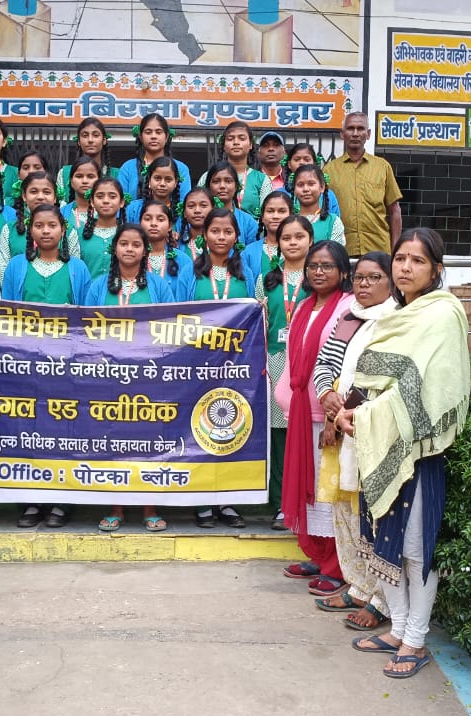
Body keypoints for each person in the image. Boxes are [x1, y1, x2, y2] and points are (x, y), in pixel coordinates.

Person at [339, 227, 470, 679]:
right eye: (400, 259)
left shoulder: (443, 314)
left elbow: (434, 387)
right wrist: (352, 413)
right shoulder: (393, 313)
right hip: (376, 444)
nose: (406, 268)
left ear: (436, 269)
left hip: (417, 449)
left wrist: (369, 415)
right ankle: (397, 628)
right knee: (381, 541)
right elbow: (372, 379)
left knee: (414, 551)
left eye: (417, 260)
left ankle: (415, 638)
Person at [309, 251, 399, 631]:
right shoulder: (348, 318)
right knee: (345, 513)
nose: (363, 284)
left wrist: (348, 410)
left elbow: (386, 379)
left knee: (372, 516)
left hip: (371, 431)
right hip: (339, 429)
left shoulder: (396, 320)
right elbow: (324, 364)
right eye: (359, 277)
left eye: (373, 277)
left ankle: (382, 599)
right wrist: (327, 395)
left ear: (390, 282)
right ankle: (359, 586)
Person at [1, 204, 92, 529]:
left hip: (67, 365)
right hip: (26, 363)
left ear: (63, 230)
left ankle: (61, 501)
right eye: (39, 225)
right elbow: (4, 312)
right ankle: (31, 500)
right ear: (31, 230)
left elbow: (86, 317)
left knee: (64, 429)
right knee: (29, 429)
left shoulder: (78, 268)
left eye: (52, 225)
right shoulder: (17, 266)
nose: (45, 231)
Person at [83, 224, 174, 533]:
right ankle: (115, 507)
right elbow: (85, 327)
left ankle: (150, 507)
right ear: (115, 248)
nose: (130, 249)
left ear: (145, 250)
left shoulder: (159, 286)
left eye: (136, 244)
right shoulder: (98, 286)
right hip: (107, 376)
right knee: (112, 441)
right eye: (124, 243)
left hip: (148, 375)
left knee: (149, 441)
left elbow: (172, 325)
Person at [276, 240, 355, 597]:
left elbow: (343, 362)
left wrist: (333, 416)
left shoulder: (348, 308)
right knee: (308, 487)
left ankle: (337, 565)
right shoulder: (304, 306)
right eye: (313, 266)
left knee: (329, 491)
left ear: (343, 271)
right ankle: (317, 554)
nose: (319, 272)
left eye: (327, 266)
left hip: (329, 415)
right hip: (301, 413)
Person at [190, 207, 255, 529]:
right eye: (215, 231)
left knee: (231, 428)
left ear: (236, 237)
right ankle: (201, 501)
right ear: (204, 235)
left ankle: (227, 499)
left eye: (227, 231)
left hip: (235, 367)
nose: (221, 237)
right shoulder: (190, 271)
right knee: (198, 429)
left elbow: (255, 315)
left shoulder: (246, 273)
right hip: (196, 365)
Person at [255, 215, 313, 531]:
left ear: (310, 241)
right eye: (286, 238)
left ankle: (307, 504)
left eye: (299, 237)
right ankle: (281, 505)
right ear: (278, 243)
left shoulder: (317, 279)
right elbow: (257, 325)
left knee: (304, 436)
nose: (292, 243)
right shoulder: (266, 280)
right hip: (275, 364)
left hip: (308, 366)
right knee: (279, 440)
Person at [323, 112, 403, 256]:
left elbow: (394, 210)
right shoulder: (329, 170)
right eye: (350, 128)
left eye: (360, 128)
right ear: (342, 134)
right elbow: (323, 210)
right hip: (342, 251)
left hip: (379, 249)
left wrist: (396, 251)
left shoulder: (382, 167)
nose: (355, 133)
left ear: (368, 134)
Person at [0, 171, 80, 284]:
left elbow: (75, 271)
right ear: (24, 196)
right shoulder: (9, 230)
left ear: (55, 197)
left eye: (46, 192)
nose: (40, 197)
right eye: (34, 192)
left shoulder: (67, 230)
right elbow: (2, 271)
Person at [196, 121, 271, 218]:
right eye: (230, 139)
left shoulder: (262, 180)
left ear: (250, 145)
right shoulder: (207, 176)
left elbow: (268, 215)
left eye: (242, 138)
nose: (236, 142)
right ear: (224, 145)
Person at [118, 113, 192, 203]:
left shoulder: (181, 169)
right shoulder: (128, 168)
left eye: (158, 132)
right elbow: (120, 203)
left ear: (167, 137)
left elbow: (185, 204)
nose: (153, 136)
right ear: (140, 137)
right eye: (148, 132)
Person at [139, 200, 193, 300]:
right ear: (140, 223)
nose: (154, 223)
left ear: (170, 226)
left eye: (160, 219)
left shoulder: (183, 260)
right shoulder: (134, 259)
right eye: (148, 219)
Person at [56, 117, 119, 196]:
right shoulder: (64, 173)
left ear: (104, 140)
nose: (90, 140)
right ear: (79, 141)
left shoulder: (118, 174)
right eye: (85, 136)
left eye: (95, 135)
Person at [202, 161, 260, 244]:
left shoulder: (248, 222)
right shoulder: (200, 218)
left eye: (228, 181)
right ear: (208, 187)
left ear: (236, 186)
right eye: (216, 181)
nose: (222, 186)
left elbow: (253, 251)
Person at [240, 191, 293, 283]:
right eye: (270, 211)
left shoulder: (300, 250)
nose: (275, 216)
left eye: (282, 211)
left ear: (291, 215)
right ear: (262, 217)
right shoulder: (248, 252)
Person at [78, 176, 124, 277]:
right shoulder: (77, 233)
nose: (106, 201)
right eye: (100, 197)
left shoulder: (128, 234)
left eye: (112, 197)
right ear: (92, 202)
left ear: (121, 202)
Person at [290, 164, 346, 245]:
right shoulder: (287, 221)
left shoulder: (333, 222)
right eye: (300, 185)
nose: (305, 189)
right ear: (294, 189)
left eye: (311, 184)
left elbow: (336, 251)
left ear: (322, 187)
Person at [282, 144, 341, 217]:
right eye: (297, 159)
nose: (302, 163)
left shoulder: (329, 195)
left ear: (314, 163)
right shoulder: (280, 193)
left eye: (307, 159)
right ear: (289, 164)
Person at [125, 156, 182, 224]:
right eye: (157, 179)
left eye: (168, 180)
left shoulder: (182, 211)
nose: (162, 184)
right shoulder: (133, 209)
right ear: (149, 180)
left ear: (176, 182)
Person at [60, 156, 102, 231]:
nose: (84, 181)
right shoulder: (61, 213)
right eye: (79, 176)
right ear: (71, 181)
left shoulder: (109, 211)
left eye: (90, 176)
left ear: (99, 180)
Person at [178, 187, 214, 262]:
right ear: (184, 213)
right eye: (191, 206)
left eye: (203, 205)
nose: (197, 210)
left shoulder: (222, 242)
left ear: (213, 210)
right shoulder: (176, 243)